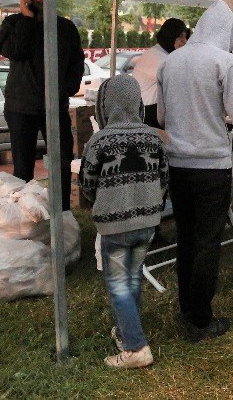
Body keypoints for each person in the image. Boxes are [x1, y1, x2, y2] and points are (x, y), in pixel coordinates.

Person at [157, 0, 233, 342]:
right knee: (209, 241)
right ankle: (201, 319)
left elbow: (164, 118)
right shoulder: (225, 61)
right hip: (211, 165)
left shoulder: (172, 61)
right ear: (226, 31)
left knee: (187, 238)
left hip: (177, 163)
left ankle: (188, 308)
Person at [79, 75, 166, 369]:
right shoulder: (153, 137)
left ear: (105, 105)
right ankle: (127, 330)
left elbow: (87, 183)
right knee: (133, 277)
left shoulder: (99, 141)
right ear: (137, 102)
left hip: (114, 226)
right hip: (148, 222)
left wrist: (103, 203)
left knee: (118, 284)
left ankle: (135, 348)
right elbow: (164, 179)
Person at [0, 0, 84, 209]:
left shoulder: (65, 27)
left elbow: (77, 62)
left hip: (55, 106)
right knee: (23, 166)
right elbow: (14, 51)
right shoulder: (13, 23)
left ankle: (63, 211)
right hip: (21, 107)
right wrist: (26, 19)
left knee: (62, 161)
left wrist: (65, 89)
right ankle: (22, 214)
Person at [132, 18, 187, 129]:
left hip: (154, 112)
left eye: (185, 36)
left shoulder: (165, 54)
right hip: (148, 115)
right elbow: (181, 80)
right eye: (180, 36)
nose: (184, 41)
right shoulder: (157, 57)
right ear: (170, 36)